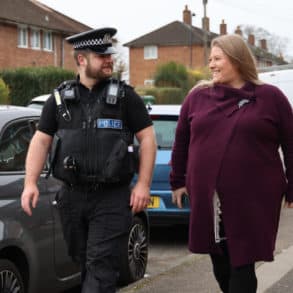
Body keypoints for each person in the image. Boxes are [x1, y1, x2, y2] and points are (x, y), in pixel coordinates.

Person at [21, 27, 156, 293]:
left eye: (110, 54)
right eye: (101, 55)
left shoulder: (126, 98)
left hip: (111, 197)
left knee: (100, 266)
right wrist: (30, 183)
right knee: (85, 262)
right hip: (72, 198)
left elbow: (148, 139)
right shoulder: (59, 99)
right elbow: (40, 140)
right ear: (82, 59)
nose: (110, 60)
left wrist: (143, 184)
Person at [170, 33, 293, 293]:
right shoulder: (197, 98)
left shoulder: (270, 97)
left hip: (254, 197)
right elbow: (181, 142)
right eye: (210, 59)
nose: (211, 64)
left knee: (243, 262)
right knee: (220, 261)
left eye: (217, 59)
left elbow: (291, 144)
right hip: (209, 197)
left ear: (237, 60)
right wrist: (177, 182)